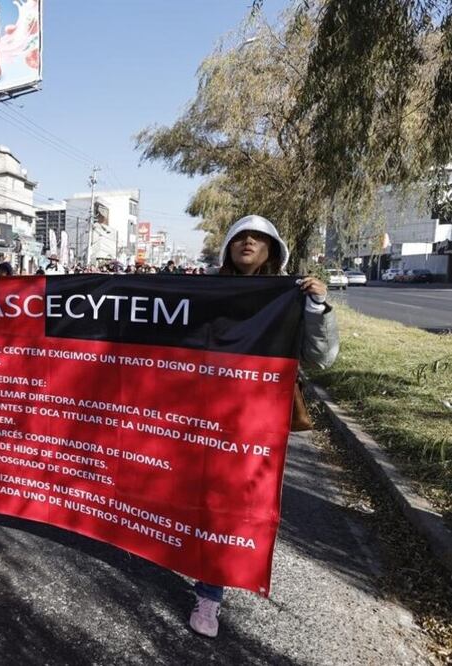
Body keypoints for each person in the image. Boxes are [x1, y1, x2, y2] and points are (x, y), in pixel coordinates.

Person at [187, 214, 338, 639]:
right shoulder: (205, 289)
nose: (248, 243)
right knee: (187, 494)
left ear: (272, 250)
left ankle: (209, 595)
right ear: (229, 247)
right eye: (240, 237)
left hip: (252, 421)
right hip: (199, 413)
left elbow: (320, 358)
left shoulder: (293, 295)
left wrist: (316, 307)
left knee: (225, 505)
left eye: (258, 238)